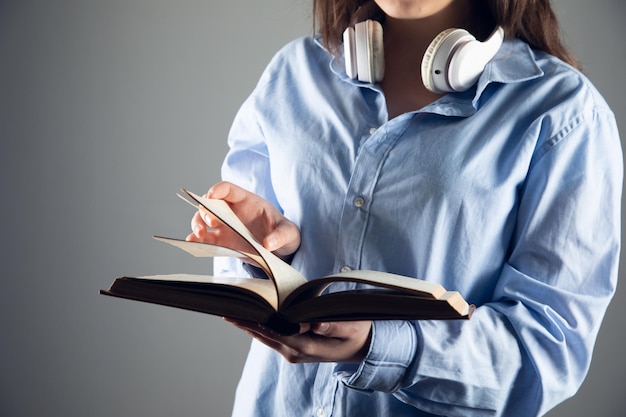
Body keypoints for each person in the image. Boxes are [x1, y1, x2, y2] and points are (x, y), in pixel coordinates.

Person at [187, 0, 622, 416]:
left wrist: (382, 346)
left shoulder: (566, 115)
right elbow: (238, 272)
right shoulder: (293, 73)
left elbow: (547, 351)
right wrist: (258, 251)